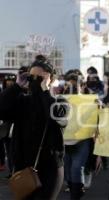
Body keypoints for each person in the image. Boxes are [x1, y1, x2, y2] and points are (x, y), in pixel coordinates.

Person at [0, 55, 69, 200]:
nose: (35, 82)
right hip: (22, 167)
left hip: (50, 168)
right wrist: (17, 86)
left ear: (51, 80)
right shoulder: (22, 101)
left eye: (40, 78)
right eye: (32, 77)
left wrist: (45, 90)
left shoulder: (60, 102)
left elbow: (55, 116)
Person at [63, 72, 92, 200]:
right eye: (69, 86)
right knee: (67, 171)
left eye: (75, 86)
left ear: (82, 86)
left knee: (76, 168)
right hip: (65, 141)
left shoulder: (90, 100)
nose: (72, 88)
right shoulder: (59, 100)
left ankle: (76, 195)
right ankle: (76, 189)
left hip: (82, 140)